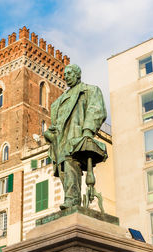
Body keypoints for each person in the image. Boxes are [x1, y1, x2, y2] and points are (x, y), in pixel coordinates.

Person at [44, 64, 107, 210]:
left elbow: (96, 110)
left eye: (69, 73)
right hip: (59, 140)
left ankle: (72, 200)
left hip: (76, 136)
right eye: (65, 74)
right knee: (63, 170)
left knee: (71, 163)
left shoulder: (89, 90)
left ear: (77, 75)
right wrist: (49, 134)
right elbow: (57, 122)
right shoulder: (58, 102)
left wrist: (88, 131)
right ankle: (71, 198)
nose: (66, 76)